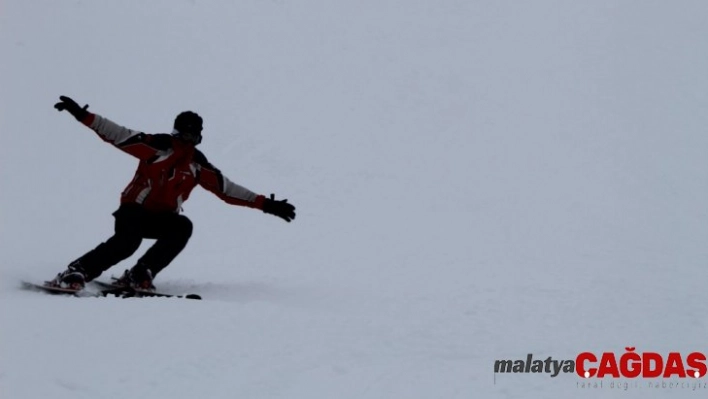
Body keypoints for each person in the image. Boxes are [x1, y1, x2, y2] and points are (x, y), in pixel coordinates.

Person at [48, 96, 296, 291]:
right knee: (128, 242)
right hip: (134, 210)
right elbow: (117, 134)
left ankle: (141, 273)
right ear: (175, 131)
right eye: (182, 134)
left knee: (182, 226)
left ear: (199, 137)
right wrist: (82, 115)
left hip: (161, 217)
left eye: (192, 136)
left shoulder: (197, 165)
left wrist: (266, 204)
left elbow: (227, 189)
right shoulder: (157, 147)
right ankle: (76, 271)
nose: (186, 140)